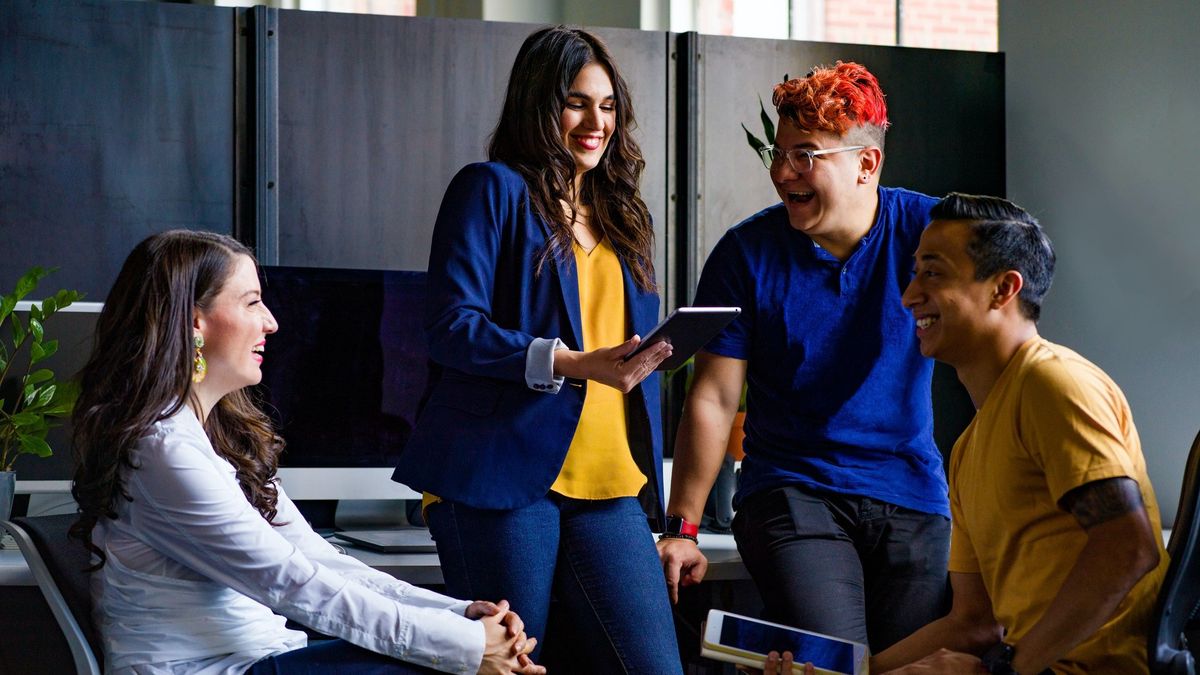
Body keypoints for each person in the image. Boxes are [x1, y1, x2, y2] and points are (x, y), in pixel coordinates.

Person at [69, 230, 544, 675]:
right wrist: (465, 646)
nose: (271, 322)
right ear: (194, 321)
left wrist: (458, 614)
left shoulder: (213, 437)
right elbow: (292, 583)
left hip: (265, 656)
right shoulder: (163, 450)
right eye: (253, 303)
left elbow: (319, 561)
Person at [392, 26, 682, 674]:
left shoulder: (624, 214)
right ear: (539, 103)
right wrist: (571, 361)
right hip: (502, 476)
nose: (596, 121)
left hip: (611, 481)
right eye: (577, 102)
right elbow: (450, 325)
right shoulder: (490, 189)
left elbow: (621, 351)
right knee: (511, 666)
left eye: (608, 106)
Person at [659, 61, 950, 652]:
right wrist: (682, 529)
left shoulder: (931, 231)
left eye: (806, 154)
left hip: (912, 493)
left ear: (866, 164)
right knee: (834, 662)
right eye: (780, 152)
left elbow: (1009, 295)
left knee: (910, 666)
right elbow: (714, 398)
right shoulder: (746, 254)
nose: (781, 171)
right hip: (793, 492)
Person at [867, 193, 1167, 673]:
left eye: (934, 273)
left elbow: (1128, 546)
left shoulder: (1053, 384)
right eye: (914, 272)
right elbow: (973, 621)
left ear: (1003, 289)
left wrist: (1006, 671)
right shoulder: (969, 446)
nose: (909, 295)